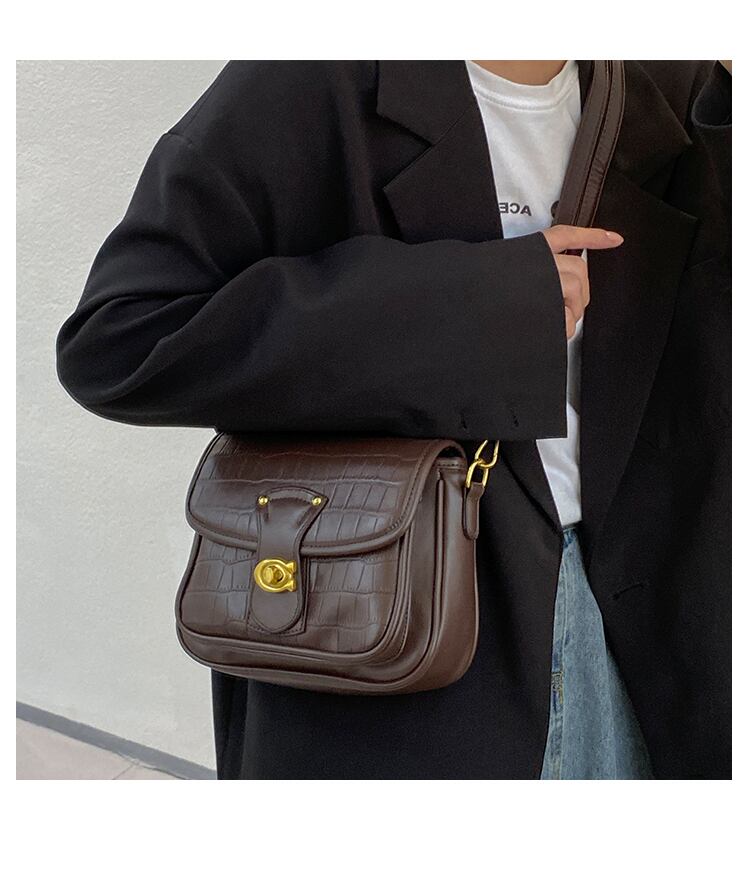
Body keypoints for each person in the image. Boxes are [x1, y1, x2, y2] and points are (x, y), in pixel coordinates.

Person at [56, 59, 731, 779]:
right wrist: (475, 303)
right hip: (401, 631)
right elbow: (120, 340)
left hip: (662, 631)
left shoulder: (679, 81)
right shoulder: (309, 78)